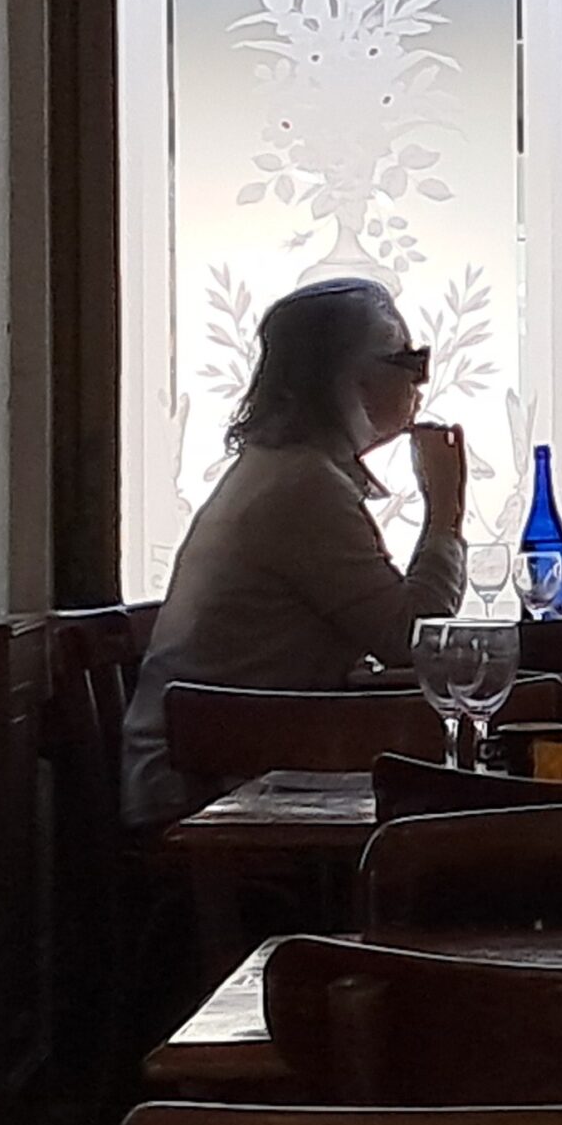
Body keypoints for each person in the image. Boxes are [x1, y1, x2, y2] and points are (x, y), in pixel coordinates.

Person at [121, 277, 466, 827]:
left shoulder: (286, 470)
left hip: (222, 758)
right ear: (348, 377)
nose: (421, 381)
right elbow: (414, 637)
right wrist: (446, 505)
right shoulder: (303, 486)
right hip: (201, 785)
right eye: (409, 359)